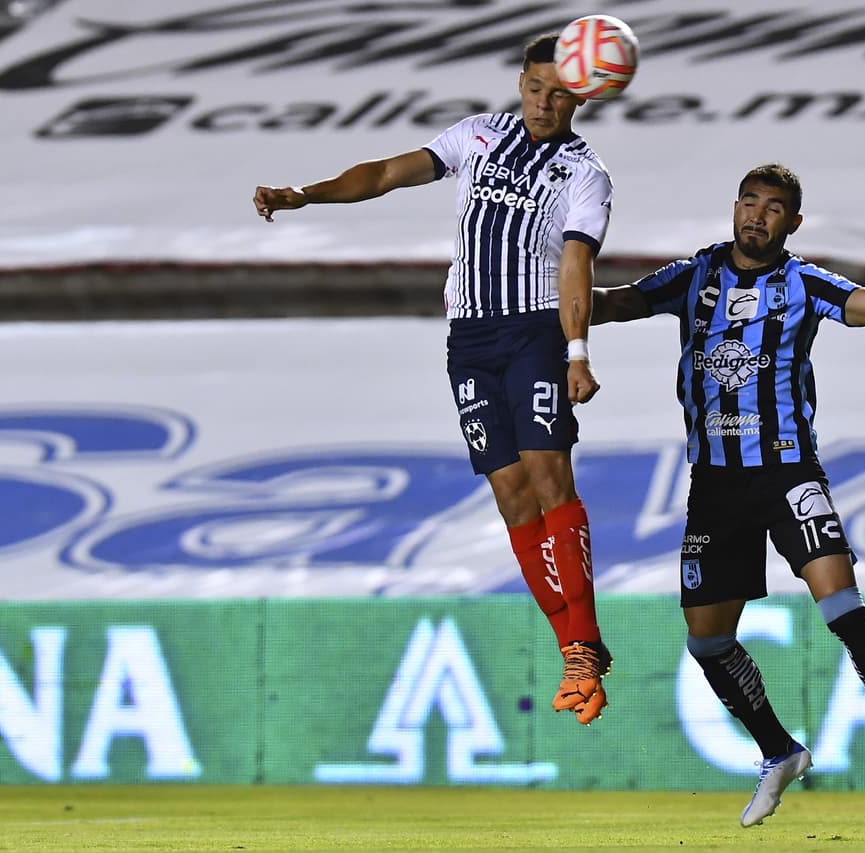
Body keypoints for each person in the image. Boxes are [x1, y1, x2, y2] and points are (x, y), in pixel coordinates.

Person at [253, 34, 614, 725]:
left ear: (583, 95)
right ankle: (574, 642)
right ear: (520, 83)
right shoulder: (477, 135)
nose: (544, 102)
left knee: (547, 475)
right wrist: (305, 195)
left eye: (560, 91)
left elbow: (576, 264)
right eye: (535, 88)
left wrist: (575, 350)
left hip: (535, 328)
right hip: (470, 339)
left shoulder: (584, 172)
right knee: (512, 498)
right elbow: (386, 173)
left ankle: (583, 646)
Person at [590, 164, 865, 826]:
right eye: (750, 202)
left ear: (793, 222)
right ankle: (779, 750)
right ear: (734, 208)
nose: (758, 214)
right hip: (715, 483)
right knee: (706, 642)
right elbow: (613, 301)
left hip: (788, 472)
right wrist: (542, 293)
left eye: (774, 207)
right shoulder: (693, 275)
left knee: (843, 607)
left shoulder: (802, 281)